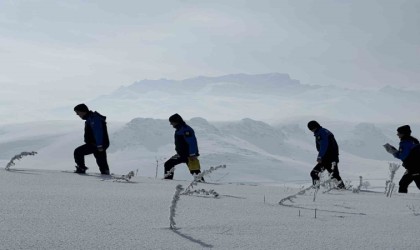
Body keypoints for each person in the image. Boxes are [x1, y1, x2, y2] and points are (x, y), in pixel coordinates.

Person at [164, 113, 203, 181]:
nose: (171, 124)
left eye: (172, 122)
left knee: (168, 164)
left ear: (177, 121)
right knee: (195, 172)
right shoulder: (180, 129)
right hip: (182, 154)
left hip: (189, 155)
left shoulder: (185, 130)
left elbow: (192, 142)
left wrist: (192, 154)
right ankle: (168, 180)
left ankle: (168, 181)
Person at [73, 104, 110, 175]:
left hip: (97, 144)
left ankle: (81, 168)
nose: (77, 114)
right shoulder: (91, 118)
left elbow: (98, 131)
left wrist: (99, 145)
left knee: (78, 152)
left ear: (82, 111)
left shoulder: (93, 118)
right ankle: (105, 173)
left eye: (77, 112)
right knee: (101, 160)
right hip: (99, 144)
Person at [307, 120, 345, 189]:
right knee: (334, 175)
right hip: (332, 157)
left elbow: (324, 145)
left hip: (327, 158)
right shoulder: (324, 131)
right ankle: (342, 189)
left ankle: (316, 190)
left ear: (314, 127)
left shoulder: (321, 133)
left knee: (314, 173)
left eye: (310, 129)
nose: (311, 131)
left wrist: (320, 156)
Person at [391, 125, 420, 193]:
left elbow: (403, 156)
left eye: (399, 133)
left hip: (414, 168)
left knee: (404, 183)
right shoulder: (414, 141)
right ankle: (402, 200)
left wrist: (394, 152)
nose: (397, 134)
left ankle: (402, 200)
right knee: (403, 183)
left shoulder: (405, 143)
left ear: (403, 133)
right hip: (414, 167)